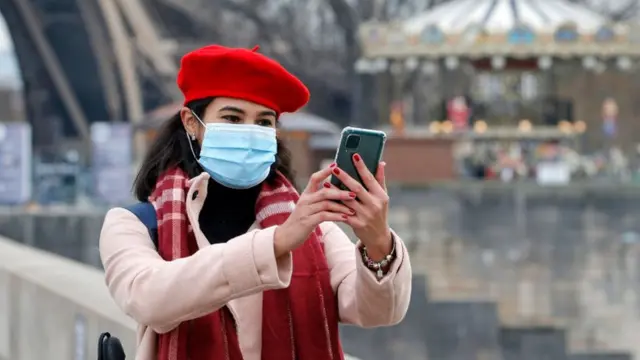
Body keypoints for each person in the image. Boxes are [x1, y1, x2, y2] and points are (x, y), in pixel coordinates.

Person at [99, 44, 412, 360]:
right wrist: (275, 243)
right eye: (232, 118)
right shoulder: (135, 224)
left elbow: (376, 313)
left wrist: (378, 245)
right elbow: (149, 299)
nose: (249, 132)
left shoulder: (315, 231)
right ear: (191, 123)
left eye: (264, 122)